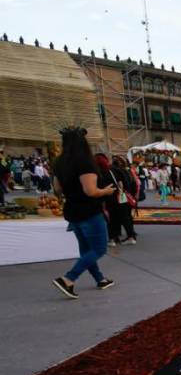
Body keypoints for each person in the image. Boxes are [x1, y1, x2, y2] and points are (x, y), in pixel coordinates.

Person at [50, 127, 117, 298]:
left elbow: (57, 188)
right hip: (89, 211)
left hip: (72, 209)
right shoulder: (84, 162)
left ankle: (100, 279)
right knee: (99, 248)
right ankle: (68, 279)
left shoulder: (59, 162)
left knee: (86, 249)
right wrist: (106, 192)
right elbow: (91, 191)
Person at [107, 155, 138, 245]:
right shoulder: (127, 171)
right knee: (126, 217)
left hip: (116, 196)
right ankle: (130, 236)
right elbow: (134, 184)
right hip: (125, 196)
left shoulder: (112, 171)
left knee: (114, 217)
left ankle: (114, 237)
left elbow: (120, 184)